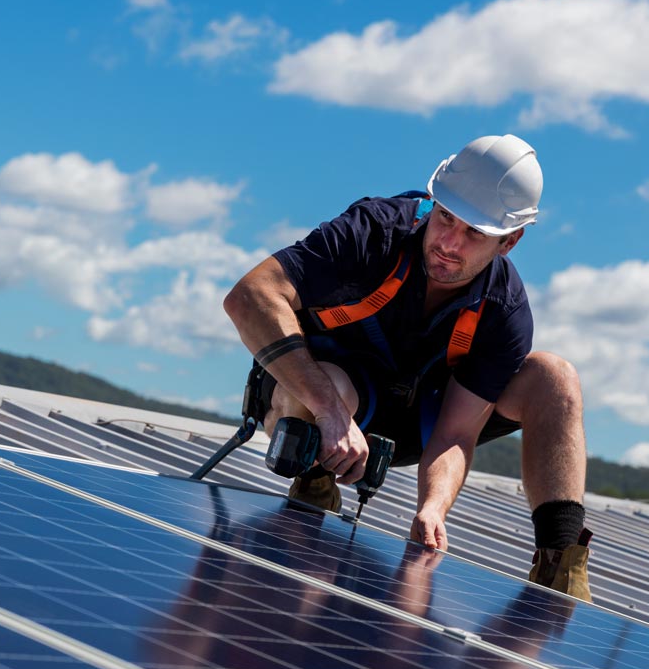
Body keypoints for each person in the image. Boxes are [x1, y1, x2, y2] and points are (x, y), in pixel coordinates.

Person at [223, 135, 591, 600]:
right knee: (333, 387)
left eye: (474, 233)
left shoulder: (504, 311)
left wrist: (434, 508)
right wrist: (330, 410)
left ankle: (561, 573)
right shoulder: (373, 231)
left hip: (417, 423)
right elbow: (250, 296)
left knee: (554, 378)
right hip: (321, 401)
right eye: (445, 219)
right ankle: (315, 482)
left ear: (510, 241)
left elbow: (456, 434)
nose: (449, 244)